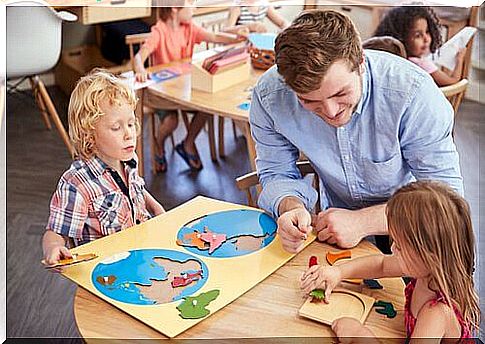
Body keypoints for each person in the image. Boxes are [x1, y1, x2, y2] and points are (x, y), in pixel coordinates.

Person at [249, 10, 463, 253]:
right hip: (337, 226)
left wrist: (363, 222)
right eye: (309, 101)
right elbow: (277, 172)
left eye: (340, 94)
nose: (330, 112)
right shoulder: (270, 97)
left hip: (417, 224)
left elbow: (447, 200)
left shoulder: (413, 94)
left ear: (360, 62)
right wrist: (291, 207)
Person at [301, 180, 480, 342]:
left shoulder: (435, 314)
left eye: (400, 246)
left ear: (429, 256)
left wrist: (359, 335)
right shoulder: (427, 271)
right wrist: (338, 272)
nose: (393, 249)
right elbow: (382, 264)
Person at [42, 69, 165, 266]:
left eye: (131, 124)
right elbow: (56, 231)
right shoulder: (76, 184)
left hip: (141, 255)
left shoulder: (129, 158)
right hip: (106, 272)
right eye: (116, 127)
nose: (128, 134)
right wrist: (53, 247)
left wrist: (156, 208)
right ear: (89, 135)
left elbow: (136, 189)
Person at [134, 0, 246, 172]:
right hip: (163, 94)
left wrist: (237, 38)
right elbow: (138, 58)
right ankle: (158, 143)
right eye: (190, 4)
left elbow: (214, 37)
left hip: (185, 91)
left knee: (207, 107)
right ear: (174, 8)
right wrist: (140, 70)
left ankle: (188, 142)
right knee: (171, 121)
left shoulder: (190, 27)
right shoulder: (159, 31)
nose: (194, 8)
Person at [374, 6, 466, 87]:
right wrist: (459, 60)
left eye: (427, 31)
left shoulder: (393, 61)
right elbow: (452, 82)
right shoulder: (421, 64)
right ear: (401, 39)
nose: (426, 39)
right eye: (418, 35)